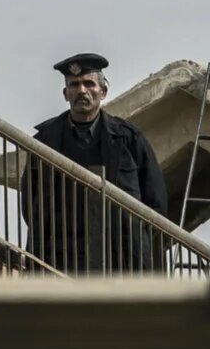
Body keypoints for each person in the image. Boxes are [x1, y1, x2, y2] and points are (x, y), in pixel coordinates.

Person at [22, 52, 169, 273]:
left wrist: (138, 244)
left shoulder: (128, 138)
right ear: (65, 94)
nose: (81, 90)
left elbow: (155, 202)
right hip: (59, 259)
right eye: (74, 85)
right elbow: (29, 203)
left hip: (121, 259)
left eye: (89, 84)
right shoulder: (45, 141)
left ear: (103, 92)